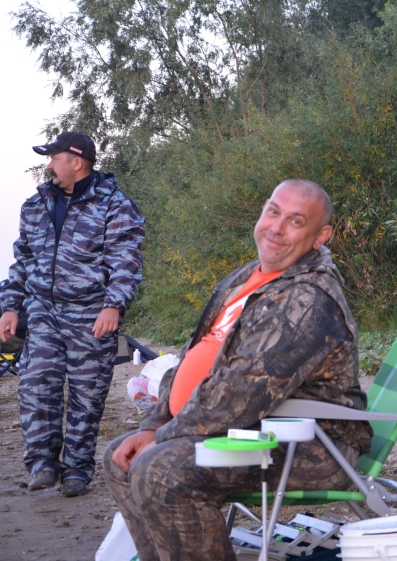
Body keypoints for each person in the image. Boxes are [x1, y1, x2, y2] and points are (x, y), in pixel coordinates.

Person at [104, 179, 372, 561]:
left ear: (320, 236)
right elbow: (192, 356)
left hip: (309, 445)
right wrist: (153, 423)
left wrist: (161, 437)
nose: (277, 228)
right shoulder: (247, 278)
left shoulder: (307, 298)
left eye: (296, 222)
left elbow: (236, 396)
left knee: (159, 470)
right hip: (250, 430)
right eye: (273, 212)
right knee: (119, 459)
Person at [0, 131, 145, 498]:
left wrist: (113, 305)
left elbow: (126, 260)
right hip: (42, 310)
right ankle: (42, 464)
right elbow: (23, 260)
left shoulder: (115, 204)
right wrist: (11, 306)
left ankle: (77, 470)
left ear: (77, 162)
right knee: (36, 384)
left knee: (87, 394)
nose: (49, 165)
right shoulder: (36, 205)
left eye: (55, 158)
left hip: (91, 313)